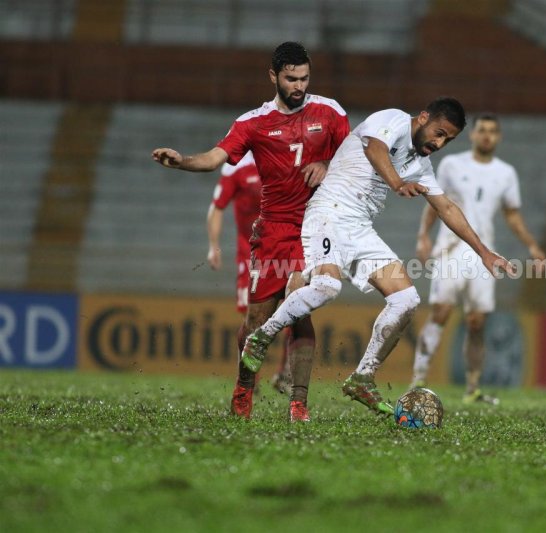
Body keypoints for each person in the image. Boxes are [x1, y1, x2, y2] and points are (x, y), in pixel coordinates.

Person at [238, 97, 515, 418]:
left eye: (447, 140)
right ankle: (261, 337)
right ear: (423, 117)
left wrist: (484, 253)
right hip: (328, 213)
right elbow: (375, 148)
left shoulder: (421, 165)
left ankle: (363, 377)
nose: (439, 143)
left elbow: (447, 208)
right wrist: (397, 183)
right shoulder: (394, 119)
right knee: (328, 286)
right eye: (438, 133)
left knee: (407, 300)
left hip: (359, 228)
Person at [152, 41, 350, 422]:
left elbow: (355, 158)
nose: (299, 86)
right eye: (291, 79)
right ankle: (244, 387)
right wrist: (182, 161)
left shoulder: (330, 112)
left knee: (301, 306)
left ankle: (299, 403)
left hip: (315, 225)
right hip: (273, 230)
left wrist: (326, 162)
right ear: (273, 76)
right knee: (256, 322)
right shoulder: (253, 123)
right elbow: (215, 158)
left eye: (305, 78)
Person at [411, 113, 546, 404]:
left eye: (492, 131)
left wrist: (532, 246)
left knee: (476, 322)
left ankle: (472, 389)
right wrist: (424, 235)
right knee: (441, 313)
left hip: (485, 254)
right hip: (451, 249)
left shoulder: (505, 173)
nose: (487, 135)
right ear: (473, 135)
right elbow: (437, 203)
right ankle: (418, 380)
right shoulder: (451, 164)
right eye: (482, 130)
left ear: (498, 137)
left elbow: (512, 214)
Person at [205, 152, 291, 395]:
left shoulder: (287, 155)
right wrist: (213, 246)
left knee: (296, 309)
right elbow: (217, 207)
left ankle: (285, 373)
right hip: (251, 257)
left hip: (285, 251)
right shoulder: (237, 166)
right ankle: (248, 380)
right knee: (253, 319)